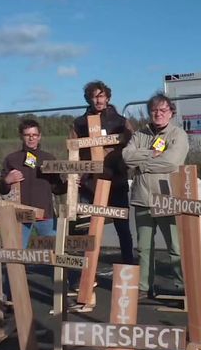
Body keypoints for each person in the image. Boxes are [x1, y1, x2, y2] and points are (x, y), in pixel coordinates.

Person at [122, 93, 189, 298]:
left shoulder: (178, 134)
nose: (158, 114)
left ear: (171, 113)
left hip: (167, 198)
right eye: (154, 110)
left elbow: (172, 162)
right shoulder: (140, 134)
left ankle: (183, 288)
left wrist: (141, 162)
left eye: (163, 110)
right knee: (144, 248)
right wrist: (152, 154)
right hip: (142, 198)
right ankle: (144, 287)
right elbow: (126, 156)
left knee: (176, 248)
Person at [0, 119, 67, 298]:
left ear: (40, 136)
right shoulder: (12, 159)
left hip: (45, 215)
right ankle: (10, 296)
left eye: (34, 135)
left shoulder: (48, 159)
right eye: (27, 135)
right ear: (22, 136)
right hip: (20, 216)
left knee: (56, 254)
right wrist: (6, 181)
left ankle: (61, 295)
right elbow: (1, 188)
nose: (31, 138)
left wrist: (70, 184)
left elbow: (57, 188)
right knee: (14, 256)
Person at [71, 80, 135, 265]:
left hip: (116, 181)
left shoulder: (121, 122)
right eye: (93, 96)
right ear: (88, 99)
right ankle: (86, 271)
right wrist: (76, 175)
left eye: (101, 96)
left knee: (122, 226)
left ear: (107, 97)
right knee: (87, 228)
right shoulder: (79, 124)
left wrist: (124, 167)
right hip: (90, 183)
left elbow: (133, 148)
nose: (98, 100)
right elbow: (73, 151)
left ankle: (128, 267)